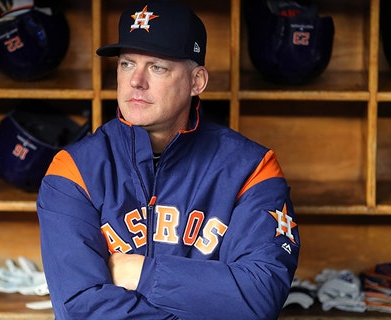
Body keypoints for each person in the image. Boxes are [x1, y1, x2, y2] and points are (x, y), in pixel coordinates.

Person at [36, 1, 300, 319]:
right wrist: (211, 299)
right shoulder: (72, 171)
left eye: (157, 67)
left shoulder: (252, 169)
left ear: (196, 81)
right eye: (126, 64)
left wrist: (141, 273)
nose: (136, 81)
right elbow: (81, 307)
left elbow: (260, 296)